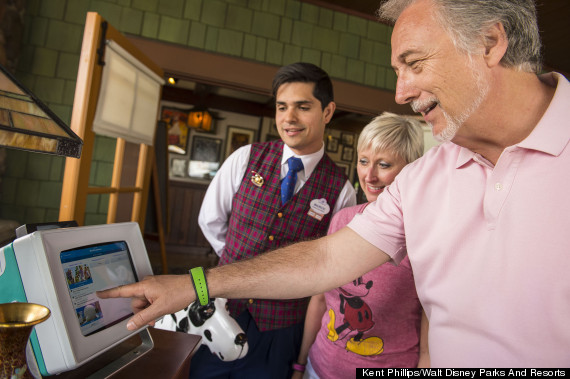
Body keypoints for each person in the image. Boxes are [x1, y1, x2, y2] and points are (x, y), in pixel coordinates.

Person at [98, 0, 570, 367]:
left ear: (489, 43)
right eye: (396, 71)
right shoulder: (427, 176)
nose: (401, 93)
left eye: (415, 63)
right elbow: (326, 258)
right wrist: (193, 286)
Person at [189, 62, 356, 378]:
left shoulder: (341, 189)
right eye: (282, 107)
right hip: (222, 312)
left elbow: (333, 262)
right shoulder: (245, 158)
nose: (289, 118)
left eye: (302, 107)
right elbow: (210, 219)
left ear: (328, 111)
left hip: (282, 330)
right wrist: (239, 262)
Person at [293, 112, 429, 379]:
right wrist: (300, 364)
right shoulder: (342, 219)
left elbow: (430, 334)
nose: (369, 175)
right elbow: (319, 299)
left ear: (411, 168)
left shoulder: (424, 236)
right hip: (317, 368)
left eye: (384, 164)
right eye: (364, 161)